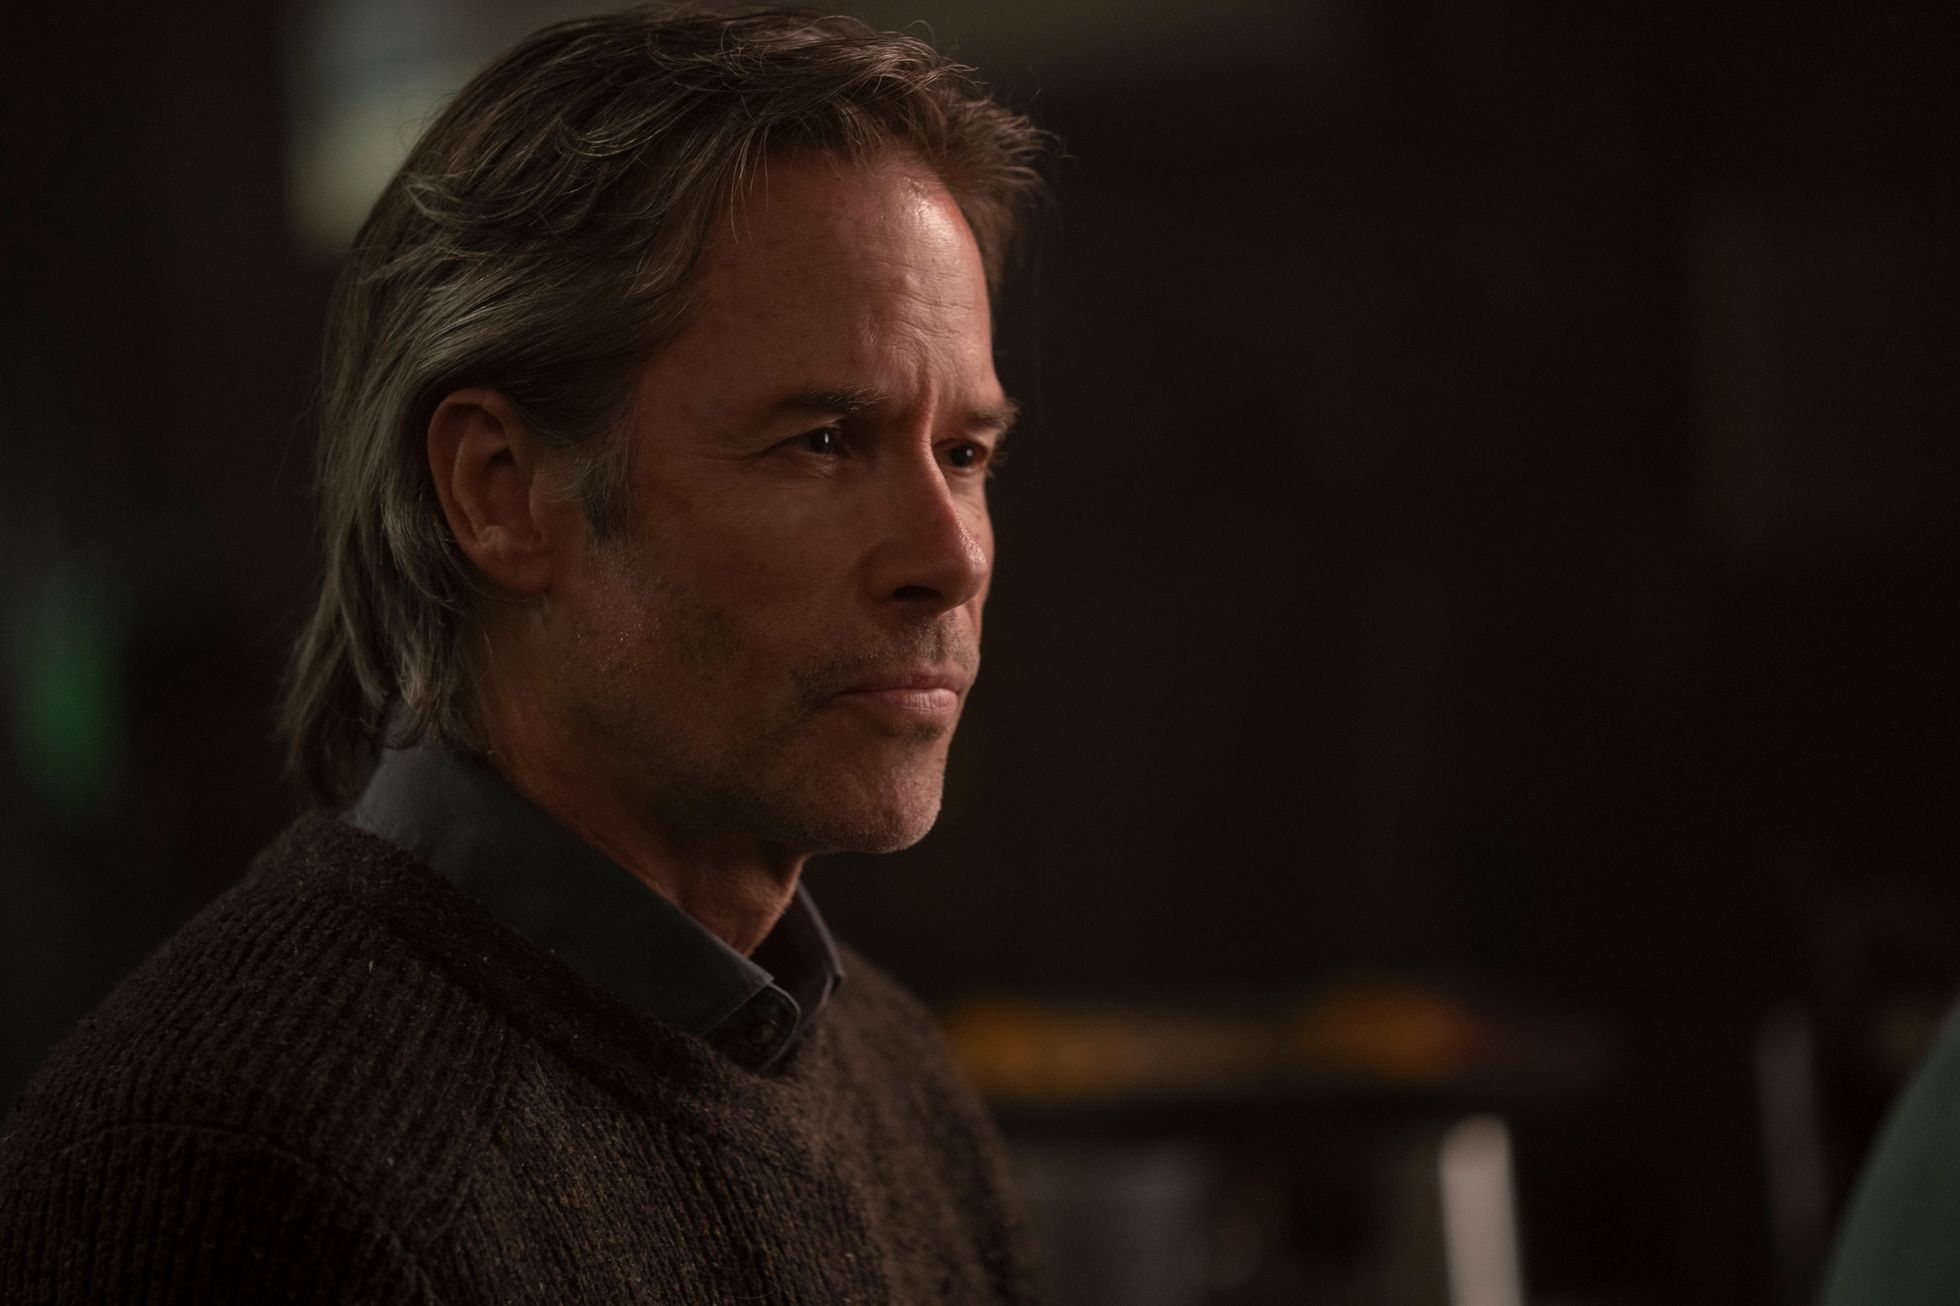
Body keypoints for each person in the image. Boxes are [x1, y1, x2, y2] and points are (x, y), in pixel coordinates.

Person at [0, 8, 1051, 1302]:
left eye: (965, 452)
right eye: (823, 442)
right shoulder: (220, 1165)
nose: (949, 556)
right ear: (501, 491)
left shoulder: (897, 1078)